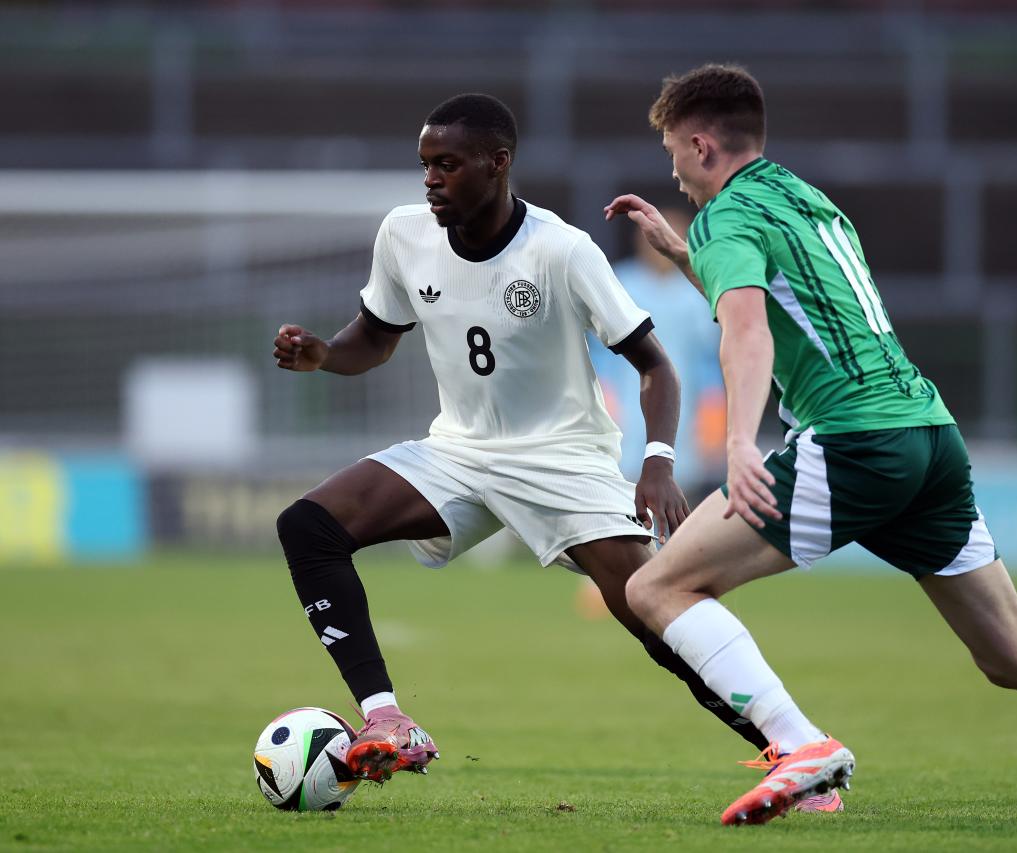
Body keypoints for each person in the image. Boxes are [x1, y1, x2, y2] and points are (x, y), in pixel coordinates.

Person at [604, 64, 1017, 826]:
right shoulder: (808, 200)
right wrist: (684, 255)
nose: (674, 175)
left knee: (657, 588)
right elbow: (783, 308)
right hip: (929, 436)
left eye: (673, 155)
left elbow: (750, 333)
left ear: (701, 146)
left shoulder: (727, 215)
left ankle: (798, 744)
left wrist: (741, 443)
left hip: (854, 439)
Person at [272, 93, 778, 786]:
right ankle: (387, 718)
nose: (431, 180)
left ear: (498, 163)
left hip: (561, 461)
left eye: (448, 165)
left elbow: (655, 366)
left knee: (656, 614)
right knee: (307, 527)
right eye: (425, 165)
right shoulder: (403, 234)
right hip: (460, 452)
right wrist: (325, 355)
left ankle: (790, 746)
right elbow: (375, 338)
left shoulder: (561, 250)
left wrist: (657, 461)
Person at [589, 207, 724, 491]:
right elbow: (600, 354)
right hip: (624, 411)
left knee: (675, 492)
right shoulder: (621, 283)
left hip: (683, 416)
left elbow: (707, 362)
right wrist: (603, 399)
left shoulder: (698, 292)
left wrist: (712, 412)